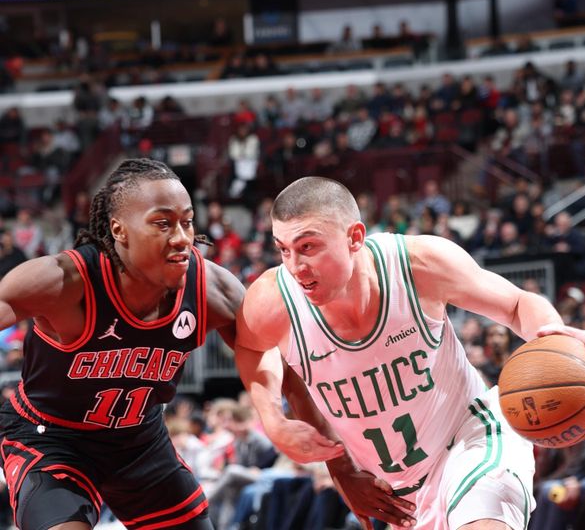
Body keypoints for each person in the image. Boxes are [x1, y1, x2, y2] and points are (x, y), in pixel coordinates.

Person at [0, 160, 401, 530]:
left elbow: (278, 360)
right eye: (162, 223)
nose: (181, 238)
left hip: (138, 442)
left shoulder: (210, 288)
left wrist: (338, 465)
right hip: (51, 437)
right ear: (119, 229)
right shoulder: (64, 282)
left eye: (187, 223)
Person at [235, 176, 585, 529]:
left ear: (355, 237)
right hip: (402, 491)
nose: (296, 267)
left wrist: (554, 334)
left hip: (471, 438)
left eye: (308, 247)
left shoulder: (417, 264)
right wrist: (274, 421)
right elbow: (252, 348)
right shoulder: (273, 301)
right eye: (283, 250)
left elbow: (516, 305)